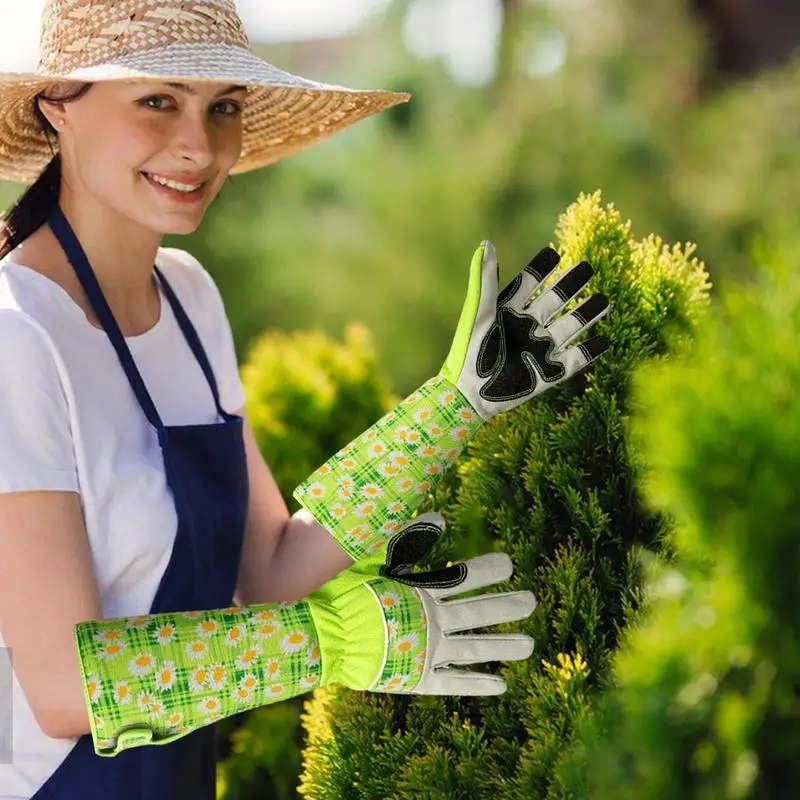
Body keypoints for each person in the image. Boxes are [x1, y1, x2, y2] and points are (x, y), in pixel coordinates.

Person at [0, 1, 611, 798]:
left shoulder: (189, 301)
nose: (198, 145)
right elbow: (65, 690)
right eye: (158, 99)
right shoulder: (19, 335)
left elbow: (272, 572)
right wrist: (324, 642)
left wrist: (454, 405)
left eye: (223, 107)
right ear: (59, 109)